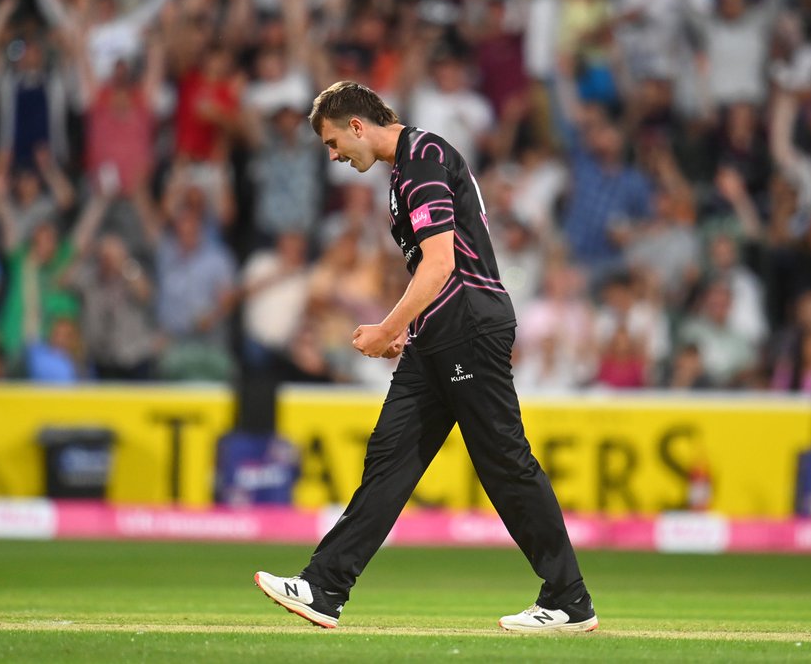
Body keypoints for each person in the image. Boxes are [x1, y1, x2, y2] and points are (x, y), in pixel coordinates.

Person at [254, 81, 596, 633]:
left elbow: (439, 265)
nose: (335, 156)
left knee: (503, 461)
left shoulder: (424, 156)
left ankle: (569, 599)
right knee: (389, 459)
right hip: (436, 332)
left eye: (333, 142)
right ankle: (324, 586)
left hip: (467, 324)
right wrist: (404, 330)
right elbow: (431, 266)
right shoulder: (405, 172)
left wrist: (390, 324)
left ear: (357, 125)